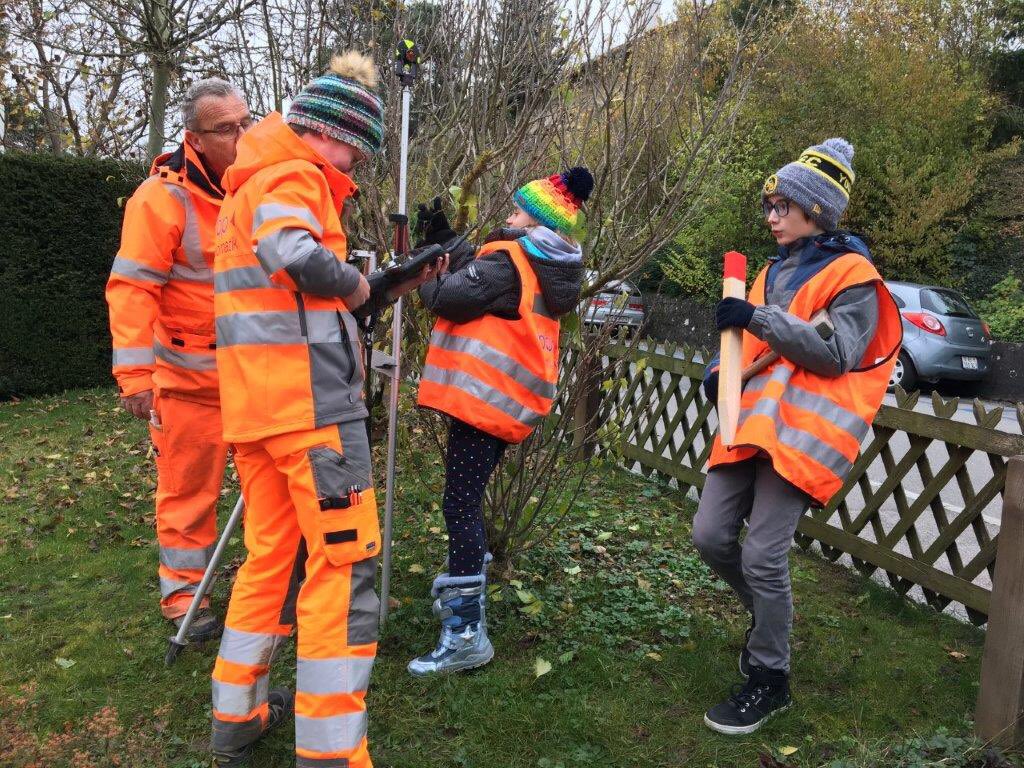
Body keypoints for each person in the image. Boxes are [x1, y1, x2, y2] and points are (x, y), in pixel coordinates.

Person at [208, 52, 442, 767]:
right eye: (355, 148)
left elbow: (285, 293)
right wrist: (361, 290)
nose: (357, 164)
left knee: (269, 561)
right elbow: (294, 255)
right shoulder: (293, 174)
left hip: (258, 412)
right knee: (345, 571)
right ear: (326, 132)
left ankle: (236, 718)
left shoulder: (247, 184)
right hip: (312, 415)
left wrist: (373, 286)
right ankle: (332, 754)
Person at [693, 138, 902, 734]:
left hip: (799, 438)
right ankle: (768, 623)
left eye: (783, 206)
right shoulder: (770, 271)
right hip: (748, 427)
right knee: (709, 535)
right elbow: (751, 346)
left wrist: (756, 317)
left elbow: (837, 353)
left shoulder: (855, 276)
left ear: (817, 210)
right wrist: (719, 373)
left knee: (762, 555)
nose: (771, 217)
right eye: (770, 206)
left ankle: (770, 676)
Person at [407, 167, 593, 676]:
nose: (507, 217)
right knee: (464, 501)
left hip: (482, 403)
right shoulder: (546, 265)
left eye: (516, 211)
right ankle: (463, 601)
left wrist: (424, 270)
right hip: (506, 403)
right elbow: (483, 282)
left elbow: (448, 296)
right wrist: (449, 241)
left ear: (534, 223)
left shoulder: (510, 262)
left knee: (459, 506)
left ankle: (466, 633)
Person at [106, 78, 251, 642]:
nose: (241, 134)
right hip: (188, 383)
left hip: (253, 378)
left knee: (266, 491)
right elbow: (132, 289)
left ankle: (268, 584)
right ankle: (185, 597)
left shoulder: (253, 188)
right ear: (194, 138)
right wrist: (136, 375)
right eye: (226, 128)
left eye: (245, 121)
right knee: (188, 494)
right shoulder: (161, 200)